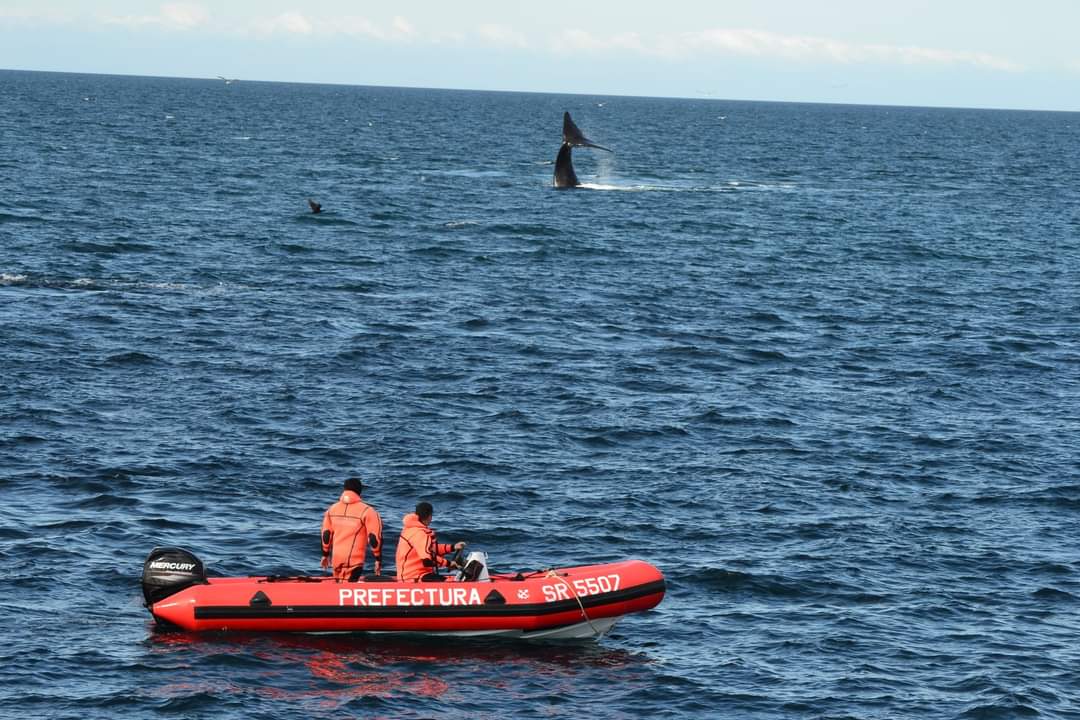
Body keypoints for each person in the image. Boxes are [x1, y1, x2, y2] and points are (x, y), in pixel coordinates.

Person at [321, 477, 383, 581]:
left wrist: (325, 554)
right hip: (354, 561)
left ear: (344, 490)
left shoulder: (332, 509)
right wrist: (378, 559)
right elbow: (374, 539)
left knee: (339, 588)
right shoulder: (368, 511)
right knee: (347, 589)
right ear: (360, 491)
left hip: (336, 559)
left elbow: (326, 534)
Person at [395, 501, 467, 582]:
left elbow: (431, 549)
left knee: (451, 579)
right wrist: (448, 564)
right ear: (430, 516)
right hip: (414, 577)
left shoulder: (412, 529)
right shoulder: (419, 533)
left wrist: (453, 547)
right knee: (450, 582)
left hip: (415, 574)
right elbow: (427, 560)